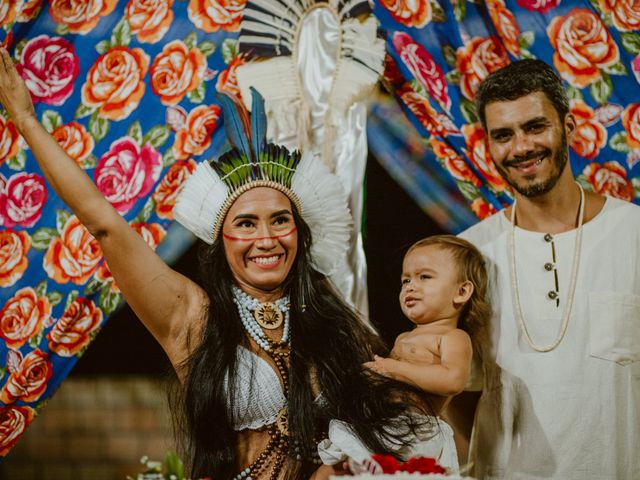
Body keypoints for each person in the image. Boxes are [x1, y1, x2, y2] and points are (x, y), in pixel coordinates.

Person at [0, 49, 432, 480]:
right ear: (220, 241)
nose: (266, 238)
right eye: (246, 223)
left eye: (280, 220)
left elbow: (405, 413)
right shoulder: (191, 316)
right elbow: (105, 225)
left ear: (299, 233)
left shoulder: (333, 322)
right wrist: (27, 122)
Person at [457, 59, 640, 479]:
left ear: (569, 127)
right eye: (504, 135)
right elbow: (448, 393)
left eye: (535, 127)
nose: (521, 148)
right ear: (488, 147)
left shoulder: (633, 233)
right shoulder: (469, 253)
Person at [363, 235, 490, 471]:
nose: (410, 286)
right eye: (405, 280)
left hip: (415, 435)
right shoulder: (403, 338)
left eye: (425, 277)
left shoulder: (453, 338)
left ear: (461, 291)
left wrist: (394, 369)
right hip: (384, 426)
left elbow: (452, 380)